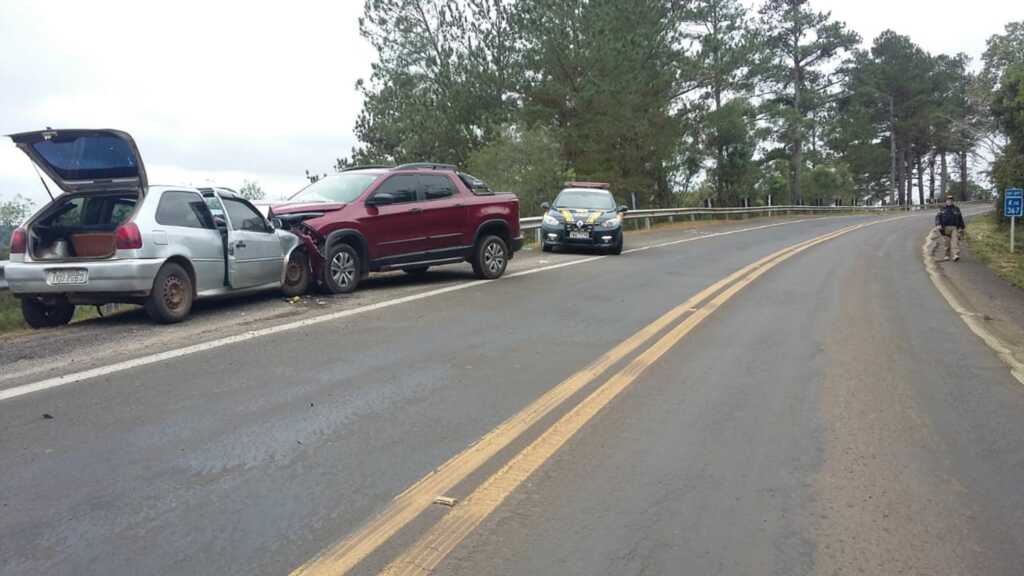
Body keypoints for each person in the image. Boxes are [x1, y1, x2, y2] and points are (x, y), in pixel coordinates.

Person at [935, 194, 966, 261]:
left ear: (953, 201)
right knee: (947, 243)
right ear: (946, 201)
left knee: (955, 241)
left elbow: (960, 218)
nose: (949, 201)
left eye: (951, 200)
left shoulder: (956, 209)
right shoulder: (942, 209)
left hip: (954, 228)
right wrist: (938, 224)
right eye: (948, 200)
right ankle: (947, 255)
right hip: (945, 228)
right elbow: (937, 217)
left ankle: (955, 255)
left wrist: (962, 227)